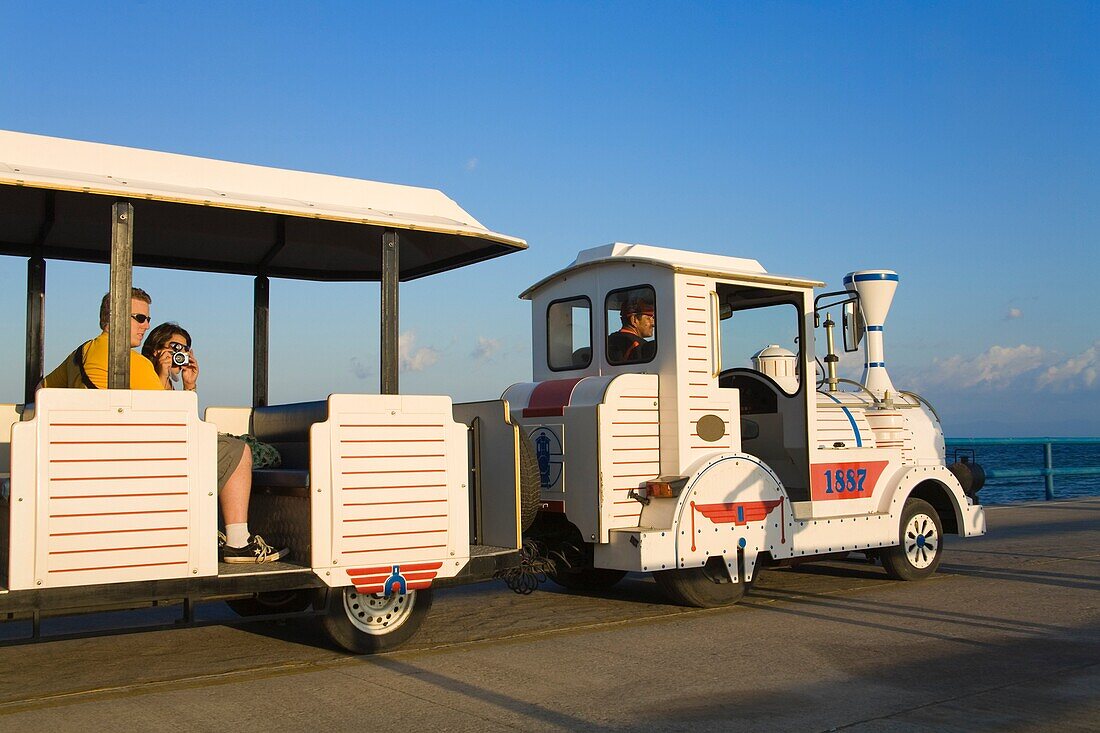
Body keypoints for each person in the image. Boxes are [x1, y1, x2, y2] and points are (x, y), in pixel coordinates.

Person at [42, 291, 287, 564]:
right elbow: (172, 423)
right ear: (115, 317)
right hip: (142, 466)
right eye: (140, 318)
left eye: (148, 319)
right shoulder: (131, 362)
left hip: (99, 459)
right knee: (237, 450)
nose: (146, 325)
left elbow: (41, 390)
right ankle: (238, 542)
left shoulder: (79, 354)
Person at [606, 296, 657, 363]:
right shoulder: (641, 347)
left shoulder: (607, 342)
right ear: (634, 320)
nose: (653, 324)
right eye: (649, 318)